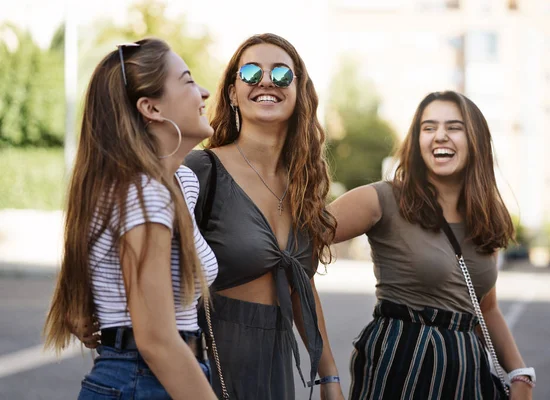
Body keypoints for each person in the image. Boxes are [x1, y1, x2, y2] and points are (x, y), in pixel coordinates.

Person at [330, 91, 535, 400]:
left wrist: (520, 374)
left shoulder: (485, 218)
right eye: (428, 127)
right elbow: (296, 242)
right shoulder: (382, 199)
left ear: (475, 139)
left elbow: (486, 307)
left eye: (454, 127)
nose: (440, 136)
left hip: (467, 376)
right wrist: (326, 373)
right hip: (401, 368)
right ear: (417, 141)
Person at [43, 38, 219, 400]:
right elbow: (155, 339)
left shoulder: (176, 183)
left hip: (157, 375)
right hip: (145, 378)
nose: (203, 91)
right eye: (187, 80)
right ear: (151, 108)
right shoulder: (144, 193)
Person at [184, 33, 344, 400]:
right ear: (231, 93)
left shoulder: (304, 183)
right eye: (252, 72)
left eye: (282, 74)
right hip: (209, 364)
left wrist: (329, 377)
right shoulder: (201, 169)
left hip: (275, 366)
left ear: (299, 90)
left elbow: (300, 286)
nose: (267, 81)